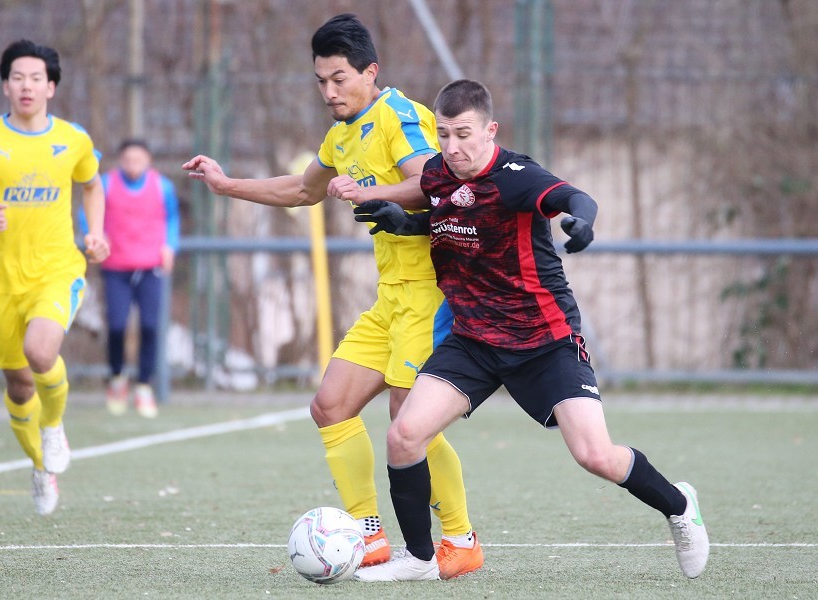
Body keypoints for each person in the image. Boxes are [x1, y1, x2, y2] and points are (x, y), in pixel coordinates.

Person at [349, 79, 709, 581]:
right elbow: (451, 222)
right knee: (404, 435)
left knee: (595, 455)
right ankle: (420, 559)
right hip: (474, 339)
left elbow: (574, 196)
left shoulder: (516, 176)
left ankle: (678, 505)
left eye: (464, 134)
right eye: (443, 134)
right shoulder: (436, 174)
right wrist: (404, 223)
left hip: (544, 341)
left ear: (490, 130)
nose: (452, 147)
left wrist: (581, 222)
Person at [183, 14, 483, 578]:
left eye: (339, 78)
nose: (329, 91)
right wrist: (226, 185)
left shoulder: (398, 115)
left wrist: (370, 189)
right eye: (321, 80)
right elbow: (302, 188)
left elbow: (431, 183)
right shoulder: (341, 134)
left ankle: (460, 539)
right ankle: (367, 535)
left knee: (406, 416)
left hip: (432, 292)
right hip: (390, 296)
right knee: (330, 406)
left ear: (371, 72)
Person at [0, 39, 109, 516]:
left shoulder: (73, 139)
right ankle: (41, 465)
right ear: (5, 85)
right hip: (1, 280)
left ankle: (53, 426)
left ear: (51, 87)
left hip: (57, 269)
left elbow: (92, 183)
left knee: (41, 353)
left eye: (36, 78)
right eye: (18, 77)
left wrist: (95, 233)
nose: (27, 86)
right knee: (18, 385)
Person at [98, 139, 180, 418]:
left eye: (139, 160)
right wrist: (96, 236)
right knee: (118, 325)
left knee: (150, 325)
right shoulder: (105, 184)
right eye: (128, 159)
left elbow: (172, 218)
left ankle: (144, 384)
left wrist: (169, 246)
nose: (133, 165)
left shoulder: (162, 186)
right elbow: (89, 214)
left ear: (148, 161)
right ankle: (117, 377)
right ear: (121, 161)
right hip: (116, 265)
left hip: (149, 266)